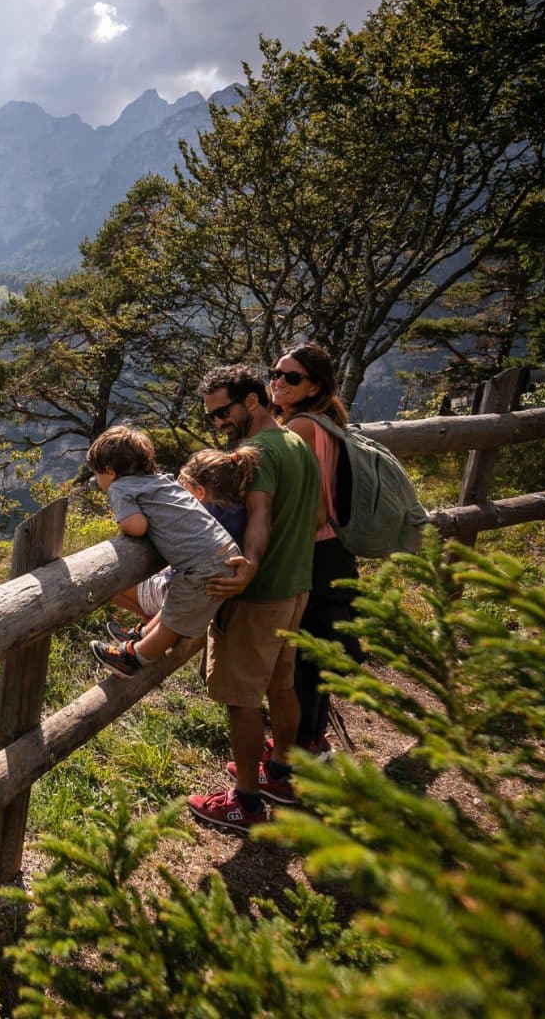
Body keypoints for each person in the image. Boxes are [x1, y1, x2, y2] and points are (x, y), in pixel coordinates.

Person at [189, 364, 322, 834]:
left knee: (240, 700)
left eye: (222, 412)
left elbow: (259, 515)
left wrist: (247, 570)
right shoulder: (294, 442)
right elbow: (314, 510)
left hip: (259, 595)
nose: (218, 423)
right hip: (295, 587)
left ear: (251, 401)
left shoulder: (256, 452)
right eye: (212, 416)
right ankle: (280, 774)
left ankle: (245, 801)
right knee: (281, 686)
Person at [83, 426, 242, 678]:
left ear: (110, 472)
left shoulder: (120, 488)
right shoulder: (161, 480)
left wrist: (124, 522)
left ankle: (133, 658)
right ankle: (142, 635)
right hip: (225, 550)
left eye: (97, 474)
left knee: (174, 619)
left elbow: (136, 527)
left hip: (204, 563)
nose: (97, 480)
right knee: (175, 603)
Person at [268, 342, 360, 759]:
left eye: (292, 377)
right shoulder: (327, 422)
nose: (279, 382)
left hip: (313, 553)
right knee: (316, 650)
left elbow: (314, 508)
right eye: (276, 372)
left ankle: (297, 752)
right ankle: (312, 741)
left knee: (302, 655)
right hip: (334, 552)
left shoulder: (301, 428)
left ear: (314, 387)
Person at [103, 446, 258, 646]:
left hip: (191, 591)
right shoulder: (237, 513)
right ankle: (149, 632)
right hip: (207, 592)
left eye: (181, 485)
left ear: (199, 492)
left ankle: (150, 636)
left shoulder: (202, 517)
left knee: (111, 583)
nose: (175, 490)